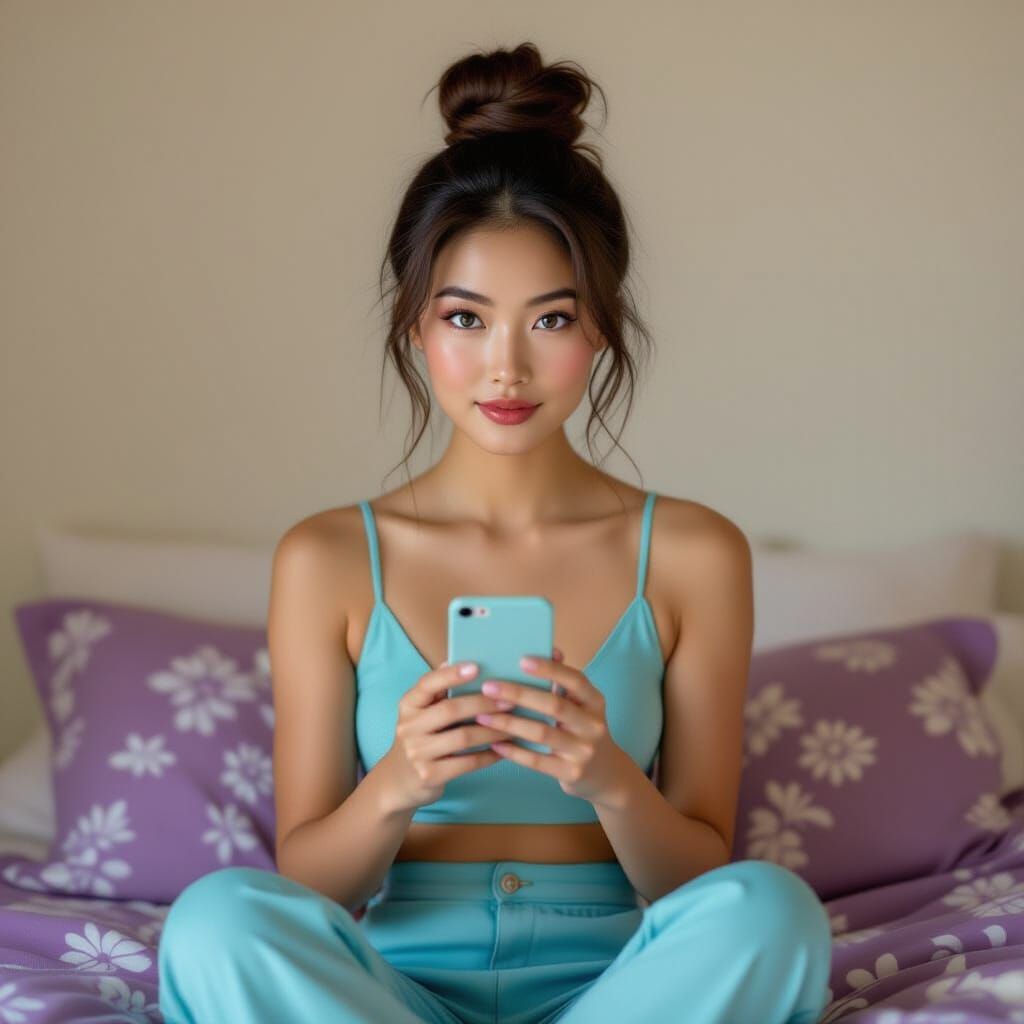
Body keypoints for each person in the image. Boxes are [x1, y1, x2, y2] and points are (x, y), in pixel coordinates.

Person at [158, 40, 832, 1024]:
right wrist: (398, 782)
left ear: (600, 326)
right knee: (216, 920)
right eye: (466, 319)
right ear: (414, 327)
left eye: (549, 320)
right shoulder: (328, 558)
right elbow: (310, 883)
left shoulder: (692, 553)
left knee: (772, 910)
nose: (504, 368)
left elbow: (695, 876)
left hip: (619, 988)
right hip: (386, 990)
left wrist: (608, 779)